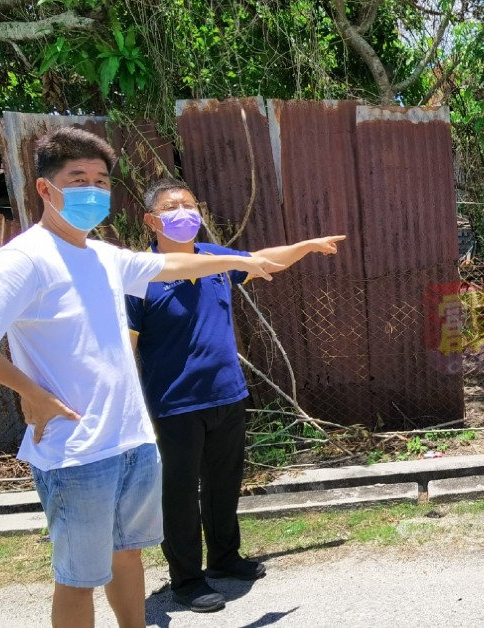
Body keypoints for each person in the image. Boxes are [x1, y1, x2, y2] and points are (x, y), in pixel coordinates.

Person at [0, 128, 281, 628]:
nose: (93, 189)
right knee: (78, 578)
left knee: (127, 557)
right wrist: (31, 392)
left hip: (130, 440)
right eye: (79, 178)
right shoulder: (28, 258)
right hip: (76, 452)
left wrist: (243, 260)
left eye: (101, 180)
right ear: (46, 189)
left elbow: (171, 264)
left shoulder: (103, 255)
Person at [126, 178, 345, 613]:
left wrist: (305, 245)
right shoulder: (138, 274)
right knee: (180, 494)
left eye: (190, 205)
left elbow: (265, 261)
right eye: (173, 207)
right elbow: (125, 345)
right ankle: (187, 579)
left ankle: (225, 560)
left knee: (224, 485)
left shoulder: (214, 260)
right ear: (152, 220)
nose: (185, 213)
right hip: (174, 404)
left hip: (227, 395)